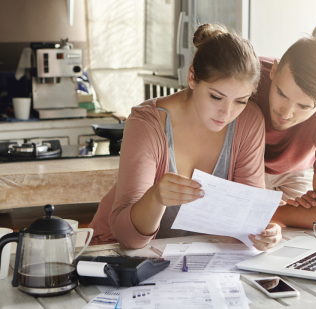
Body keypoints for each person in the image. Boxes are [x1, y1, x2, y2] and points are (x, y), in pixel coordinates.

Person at [89, 24, 282, 251]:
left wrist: (263, 233)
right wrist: (156, 198)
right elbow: (128, 240)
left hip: (188, 260)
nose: (227, 113)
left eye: (240, 100)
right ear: (192, 78)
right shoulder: (147, 123)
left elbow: (243, 222)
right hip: (116, 255)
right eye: (216, 97)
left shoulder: (249, 121)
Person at [249, 37, 316, 229]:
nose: (285, 113)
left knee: (301, 240)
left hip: (295, 171)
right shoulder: (248, 74)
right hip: (243, 165)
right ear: (273, 70)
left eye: (303, 106)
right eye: (281, 93)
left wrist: (256, 212)